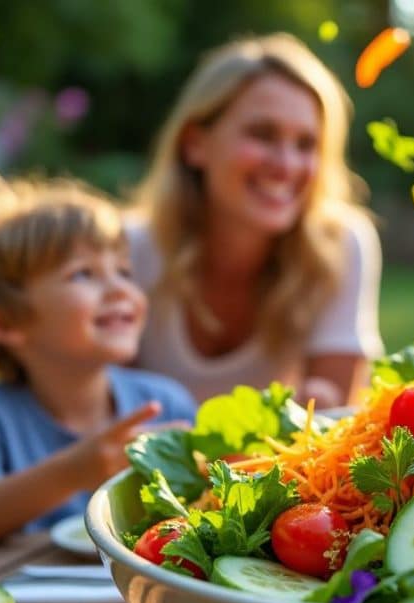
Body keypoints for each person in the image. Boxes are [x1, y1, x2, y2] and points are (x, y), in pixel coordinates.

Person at [130, 33, 382, 405]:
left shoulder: (341, 245)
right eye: (262, 135)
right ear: (194, 144)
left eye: (306, 144)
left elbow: (337, 424)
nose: (286, 165)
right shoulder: (128, 252)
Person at [0, 174, 195, 549]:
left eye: (124, 271)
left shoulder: (165, 403)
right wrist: (73, 472)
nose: (120, 289)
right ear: (3, 322)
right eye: (83, 274)